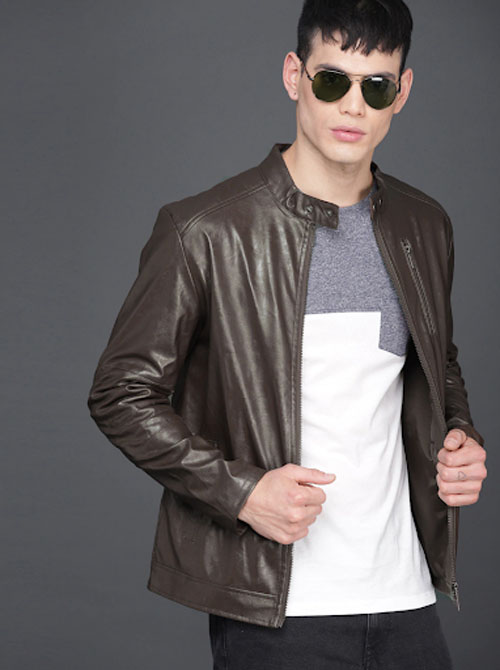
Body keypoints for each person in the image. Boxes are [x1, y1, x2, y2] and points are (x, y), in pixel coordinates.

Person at [87, 0, 488, 667]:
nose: (353, 106)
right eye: (332, 80)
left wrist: (459, 436)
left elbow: (436, 362)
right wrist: (240, 493)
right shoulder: (205, 232)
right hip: (276, 614)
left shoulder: (424, 225)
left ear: (402, 92)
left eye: (376, 86)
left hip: (407, 599)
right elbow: (120, 394)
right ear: (294, 76)